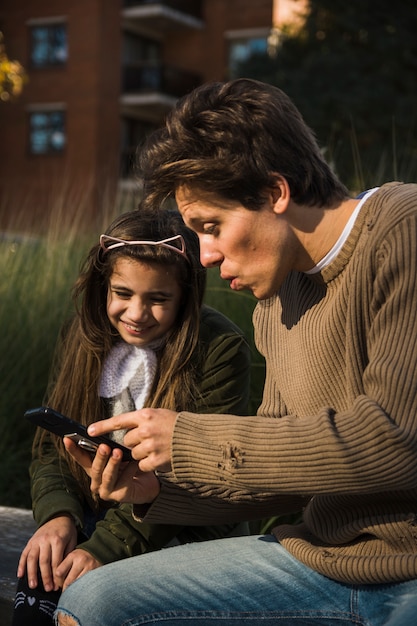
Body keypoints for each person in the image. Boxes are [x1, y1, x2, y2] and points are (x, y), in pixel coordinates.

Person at [54, 78, 417, 626]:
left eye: (212, 226)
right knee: (91, 604)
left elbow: (395, 438)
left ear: (275, 193)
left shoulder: (403, 229)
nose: (203, 257)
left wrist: (190, 438)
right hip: (319, 561)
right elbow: (274, 467)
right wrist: (155, 489)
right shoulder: (279, 293)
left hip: (407, 574)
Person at [13, 207, 252, 626]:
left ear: (187, 297)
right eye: (122, 294)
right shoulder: (83, 335)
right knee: (40, 575)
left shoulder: (221, 350)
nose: (136, 314)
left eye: (158, 299)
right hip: (96, 513)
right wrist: (57, 516)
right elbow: (55, 450)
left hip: (184, 530)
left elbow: (199, 481)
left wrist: (103, 548)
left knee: (91, 599)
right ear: (103, 287)